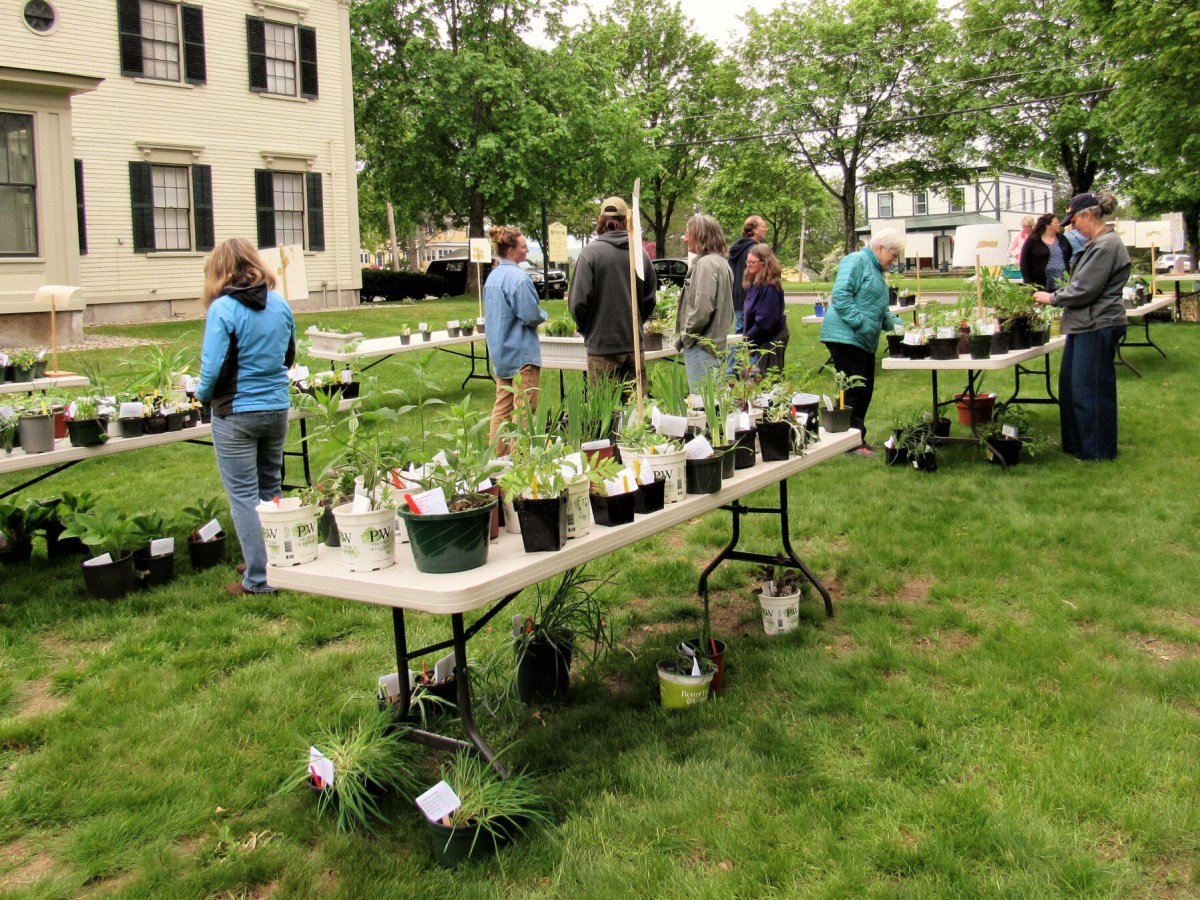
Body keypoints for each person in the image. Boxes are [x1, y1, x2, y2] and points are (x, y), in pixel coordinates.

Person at [196, 238, 296, 596]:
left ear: (219, 270)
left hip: (236, 412)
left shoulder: (223, 309)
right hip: (276, 408)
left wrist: (201, 395)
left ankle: (259, 578)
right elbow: (289, 357)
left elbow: (212, 367)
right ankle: (278, 563)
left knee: (244, 496)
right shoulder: (280, 304)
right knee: (270, 489)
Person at [1033, 191, 1128, 461]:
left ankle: (1097, 452)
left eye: (1074, 221)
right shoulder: (1096, 243)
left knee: (1091, 390)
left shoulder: (1106, 246)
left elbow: (1085, 289)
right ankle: (1078, 446)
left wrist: (1052, 297)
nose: (1072, 228)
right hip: (1083, 324)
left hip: (1097, 324)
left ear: (1087, 215)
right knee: (1072, 387)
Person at [819, 229, 903, 455]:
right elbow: (841, 296)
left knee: (864, 389)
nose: (895, 260)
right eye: (894, 254)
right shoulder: (856, 260)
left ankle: (855, 437)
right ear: (880, 248)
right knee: (855, 390)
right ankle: (851, 443)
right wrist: (861, 323)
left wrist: (895, 324)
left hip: (861, 339)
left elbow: (879, 306)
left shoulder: (876, 271)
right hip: (846, 336)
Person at [568, 196, 656, 394]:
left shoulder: (590, 254)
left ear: (600, 221)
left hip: (601, 346)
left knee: (605, 409)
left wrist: (588, 328)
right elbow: (649, 299)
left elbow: (578, 303)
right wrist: (634, 322)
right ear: (626, 221)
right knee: (635, 408)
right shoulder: (639, 255)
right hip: (633, 345)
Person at [484, 225, 547, 451]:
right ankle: (520, 459)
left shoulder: (493, 277)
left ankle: (497, 458)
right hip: (522, 355)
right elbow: (530, 315)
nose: (527, 250)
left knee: (502, 409)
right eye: (523, 247)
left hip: (501, 353)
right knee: (523, 411)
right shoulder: (519, 278)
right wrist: (543, 315)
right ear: (511, 250)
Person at [675, 214, 734, 391]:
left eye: (688, 234)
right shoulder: (721, 263)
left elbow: (702, 310)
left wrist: (686, 337)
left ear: (700, 235)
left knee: (702, 400)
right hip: (714, 344)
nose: (685, 239)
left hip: (701, 346)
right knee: (714, 400)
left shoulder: (705, 265)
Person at [742, 243, 789, 376]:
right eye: (747, 262)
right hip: (761, 337)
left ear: (765, 263)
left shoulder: (769, 287)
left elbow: (765, 322)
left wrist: (748, 340)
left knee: (770, 378)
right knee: (760, 377)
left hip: (771, 338)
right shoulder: (756, 283)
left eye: (753, 262)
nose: (749, 265)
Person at [728, 215, 766, 334]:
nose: (766, 229)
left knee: (740, 331)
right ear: (754, 230)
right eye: (763, 226)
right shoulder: (755, 250)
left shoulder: (736, 249)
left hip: (737, 298)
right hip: (751, 298)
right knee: (748, 334)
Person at [1020, 212, 1073, 290]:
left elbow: (1069, 253)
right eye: (1056, 222)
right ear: (1047, 225)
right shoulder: (1033, 240)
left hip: (1062, 281)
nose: (1058, 224)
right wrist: (1028, 282)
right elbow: (1024, 261)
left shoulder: (1061, 238)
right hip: (1041, 283)